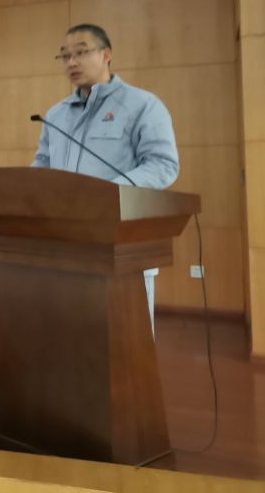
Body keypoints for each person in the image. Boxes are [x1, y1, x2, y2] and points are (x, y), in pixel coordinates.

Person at [32, 23, 179, 328]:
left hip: (120, 242)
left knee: (125, 337)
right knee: (69, 333)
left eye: (81, 53)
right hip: (65, 243)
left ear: (106, 55)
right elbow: (43, 166)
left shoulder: (142, 105)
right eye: (65, 56)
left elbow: (163, 164)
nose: (72, 62)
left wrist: (109, 193)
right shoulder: (56, 115)